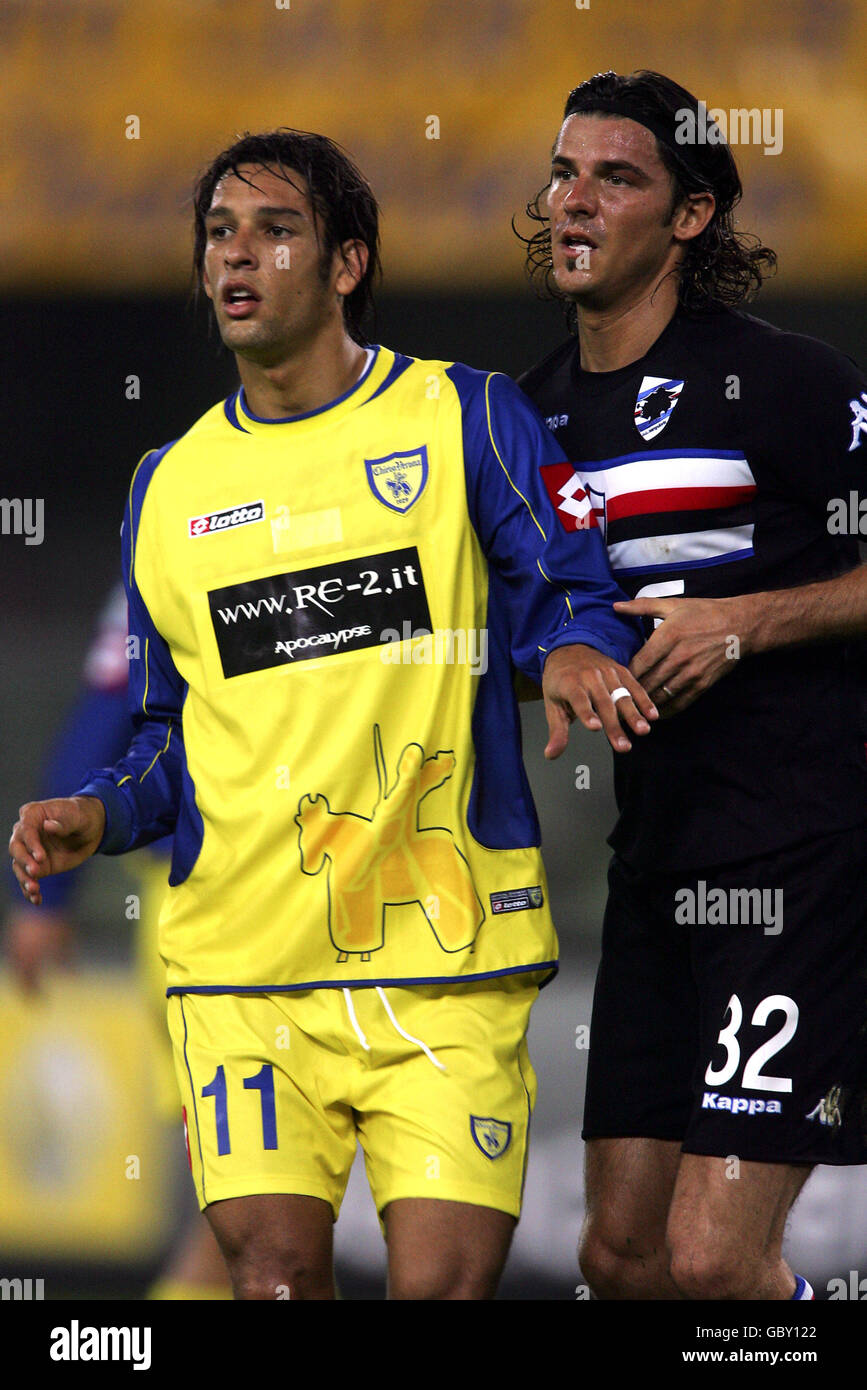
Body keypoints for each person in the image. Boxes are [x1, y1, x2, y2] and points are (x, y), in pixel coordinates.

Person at [9, 128, 652, 1301]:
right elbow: (167, 731)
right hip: (241, 969)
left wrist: (571, 646)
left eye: (275, 230)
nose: (236, 257)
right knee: (273, 1282)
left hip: (445, 959)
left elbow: (571, 575)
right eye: (217, 235)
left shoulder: (466, 417)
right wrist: (98, 816)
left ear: (348, 262)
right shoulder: (170, 484)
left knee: (445, 1289)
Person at [517, 69, 867, 1302]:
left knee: (716, 1258)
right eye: (566, 172)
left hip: (805, 860)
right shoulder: (531, 417)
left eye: (617, 177)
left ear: (690, 218)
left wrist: (746, 623)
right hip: (660, 866)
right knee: (620, 1256)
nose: (576, 200)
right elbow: (518, 618)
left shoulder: (790, 382)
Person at [3, 583, 231, 1299]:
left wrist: (43, 902)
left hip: (200, 904)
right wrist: (46, 894)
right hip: (214, 905)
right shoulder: (175, 529)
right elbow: (108, 710)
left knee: (257, 1215)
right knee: (251, 1208)